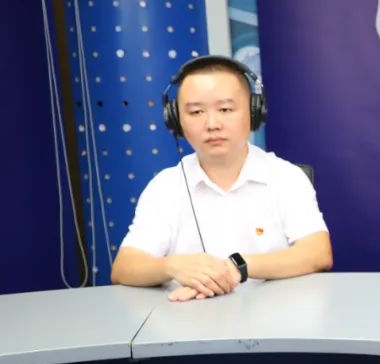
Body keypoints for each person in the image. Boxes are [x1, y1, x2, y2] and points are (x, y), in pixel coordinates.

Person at [111, 55, 332, 301]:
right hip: (189, 318)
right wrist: (172, 266)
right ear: (176, 119)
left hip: (277, 317)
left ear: (254, 111)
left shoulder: (285, 177)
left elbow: (317, 252)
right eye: (196, 112)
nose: (212, 124)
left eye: (225, 109)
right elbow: (124, 267)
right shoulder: (165, 187)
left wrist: (237, 267)